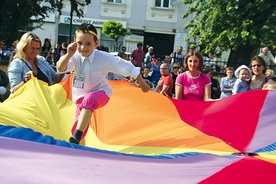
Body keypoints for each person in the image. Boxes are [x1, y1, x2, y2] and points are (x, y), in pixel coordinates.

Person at [57, 23, 150, 144]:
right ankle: (79, 149)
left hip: (101, 93)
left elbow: (124, 65)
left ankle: (77, 135)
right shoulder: (74, 57)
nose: (83, 48)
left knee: (89, 101)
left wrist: (142, 83)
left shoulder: (103, 58)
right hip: (81, 97)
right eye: (80, 43)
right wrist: (69, 54)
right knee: (77, 125)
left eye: (88, 44)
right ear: (75, 41)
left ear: (96, 43)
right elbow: (61, 68)